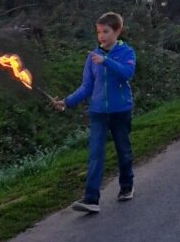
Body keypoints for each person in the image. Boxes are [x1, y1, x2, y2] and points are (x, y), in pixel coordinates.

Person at [52, 12, 136, 213]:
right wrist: (66, 102)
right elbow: (87, 87)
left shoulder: (127, 53)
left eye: (106, 31)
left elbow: (127, 74)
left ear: (117, 31)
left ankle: (127, 187)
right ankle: (91, 199)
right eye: (99, 32)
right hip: (98, 112)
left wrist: (106, 61)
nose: (102, 36)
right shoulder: (92, 58)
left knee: (123, 151)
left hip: (120, 111)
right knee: (95, 154)